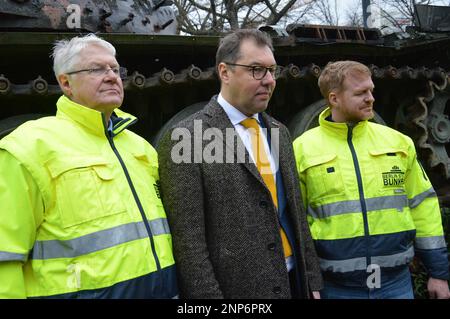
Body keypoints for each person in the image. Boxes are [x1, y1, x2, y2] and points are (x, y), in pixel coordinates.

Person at [0, 34, 178, 298]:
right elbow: (5, 254)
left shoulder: (140, 148)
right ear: (66, 83)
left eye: (115, 69)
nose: (111, 76)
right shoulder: (29, 147)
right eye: (96, 69)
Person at [157, 29, 323, 299]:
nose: (269, 80)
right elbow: (189, 245)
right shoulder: (186, 138)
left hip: (295, 283)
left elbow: (296, 215)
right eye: (256, 70)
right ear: (225, 72)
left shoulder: (278, 132)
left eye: (272, 70)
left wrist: (312, 283)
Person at [293, 60, 450, 299]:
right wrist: (309, 281)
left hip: (394, 284)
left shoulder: (398, 143)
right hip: (335, 287)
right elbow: (296, 221)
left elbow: (423, 206)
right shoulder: (302, 149)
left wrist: (438, 273)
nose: (370, 98)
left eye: (371, 90)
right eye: (360, 93)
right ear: (334, 99)